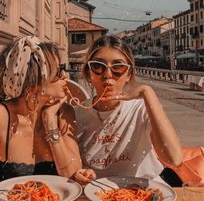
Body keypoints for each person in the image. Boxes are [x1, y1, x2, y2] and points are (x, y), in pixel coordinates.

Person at [0, 36, 82, 184]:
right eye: (58, 71)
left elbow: (72, 174)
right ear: (34, 82)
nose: (65, 75)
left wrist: (50, 122)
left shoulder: (64, 113)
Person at [74, 35, 183, 184]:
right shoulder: (76, 113)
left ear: (128, 75)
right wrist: (78, 174)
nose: (107, 75)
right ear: (89, 72)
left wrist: (147, 92)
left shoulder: (141, 108)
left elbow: (174, 158)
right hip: (98, 193)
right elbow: (72, 166)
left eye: (118, 67)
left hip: (144, 192)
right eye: (98, 66)